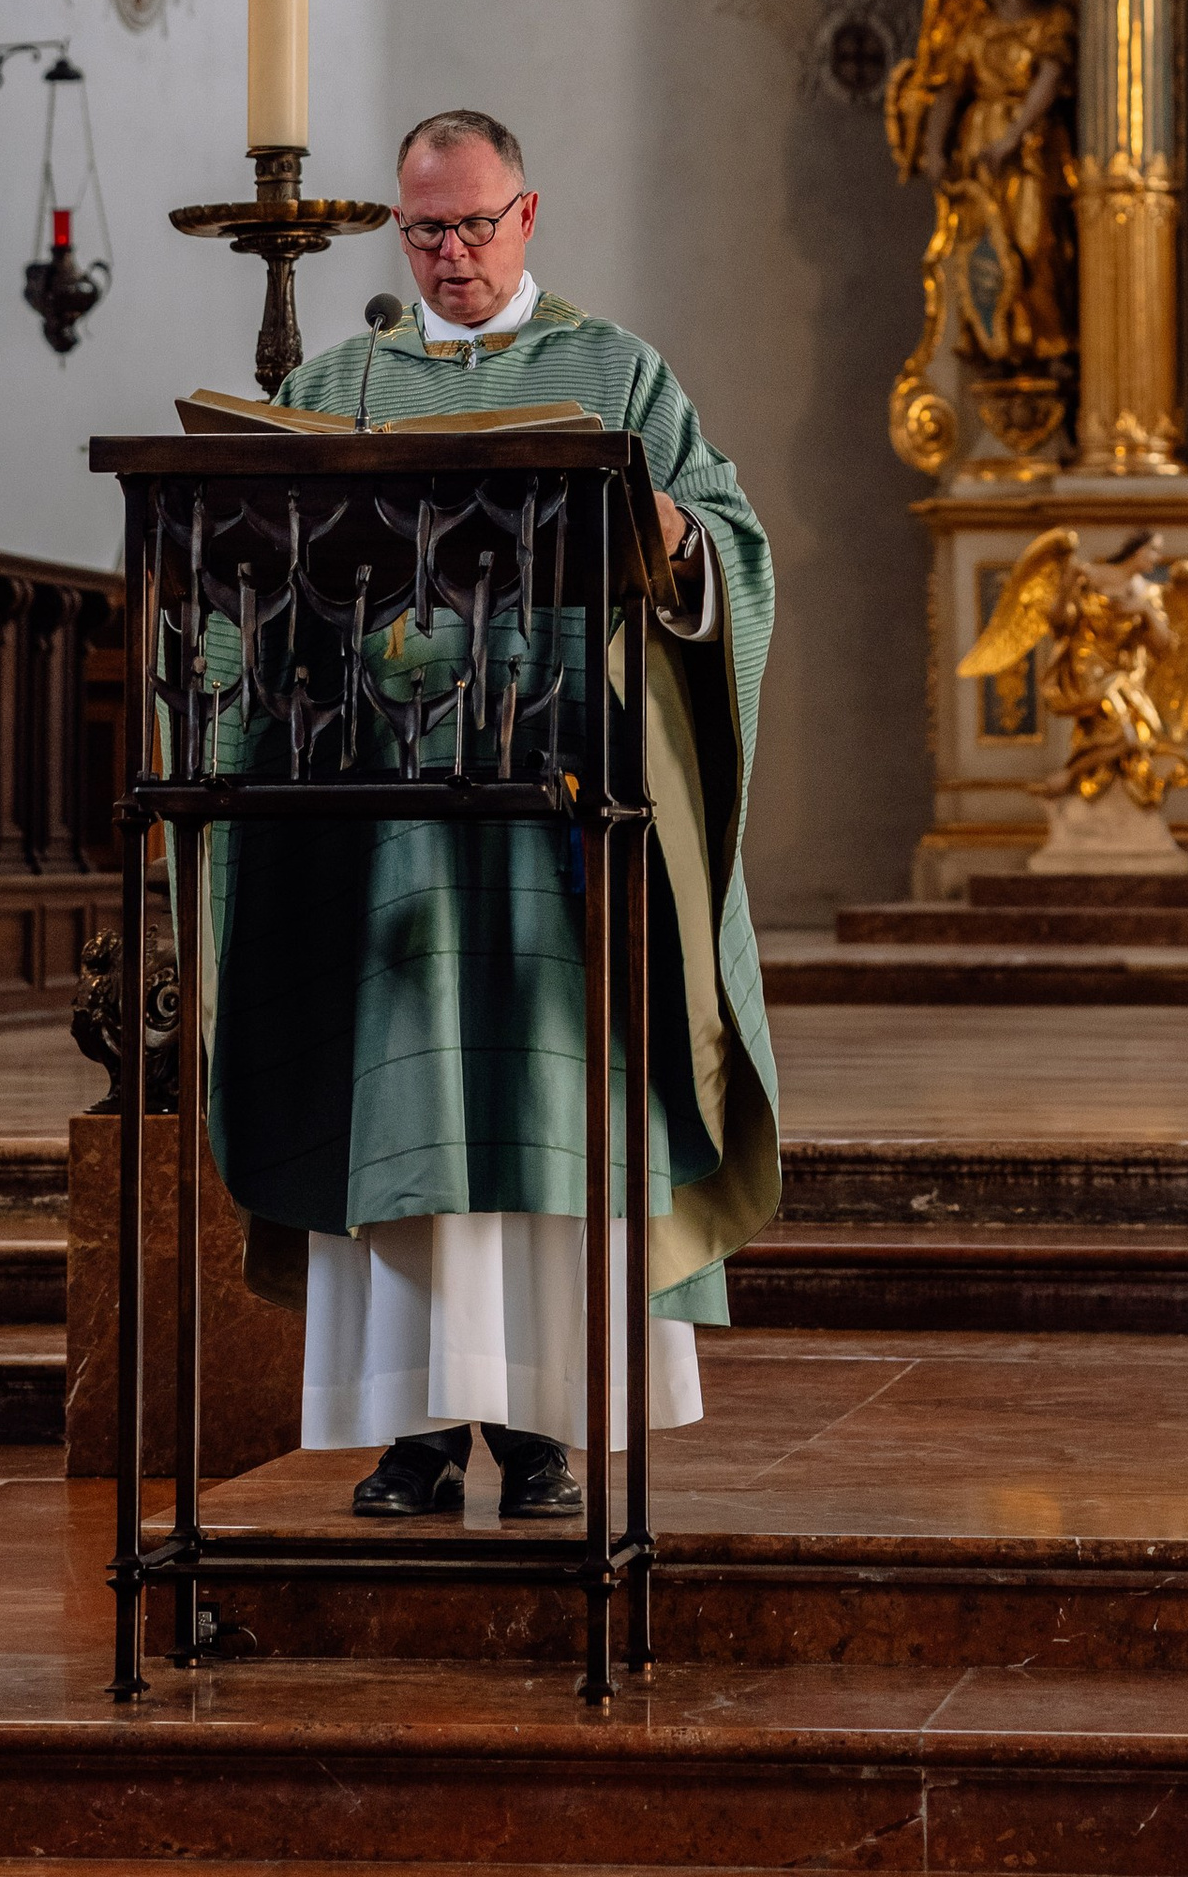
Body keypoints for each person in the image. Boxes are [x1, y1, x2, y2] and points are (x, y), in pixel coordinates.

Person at [203, 110, 779, 1522]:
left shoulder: (618, 373)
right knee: (400, 1105)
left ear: (530, 214)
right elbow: (256, 591)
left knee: (552, 1103)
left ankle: (542, 1422)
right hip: (386, 825)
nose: (450, 253)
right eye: (423, 230)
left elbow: (730, 549)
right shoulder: (343, 381)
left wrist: (680, 539)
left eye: (473, 224)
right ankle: (410, 1426)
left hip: (556, 821)